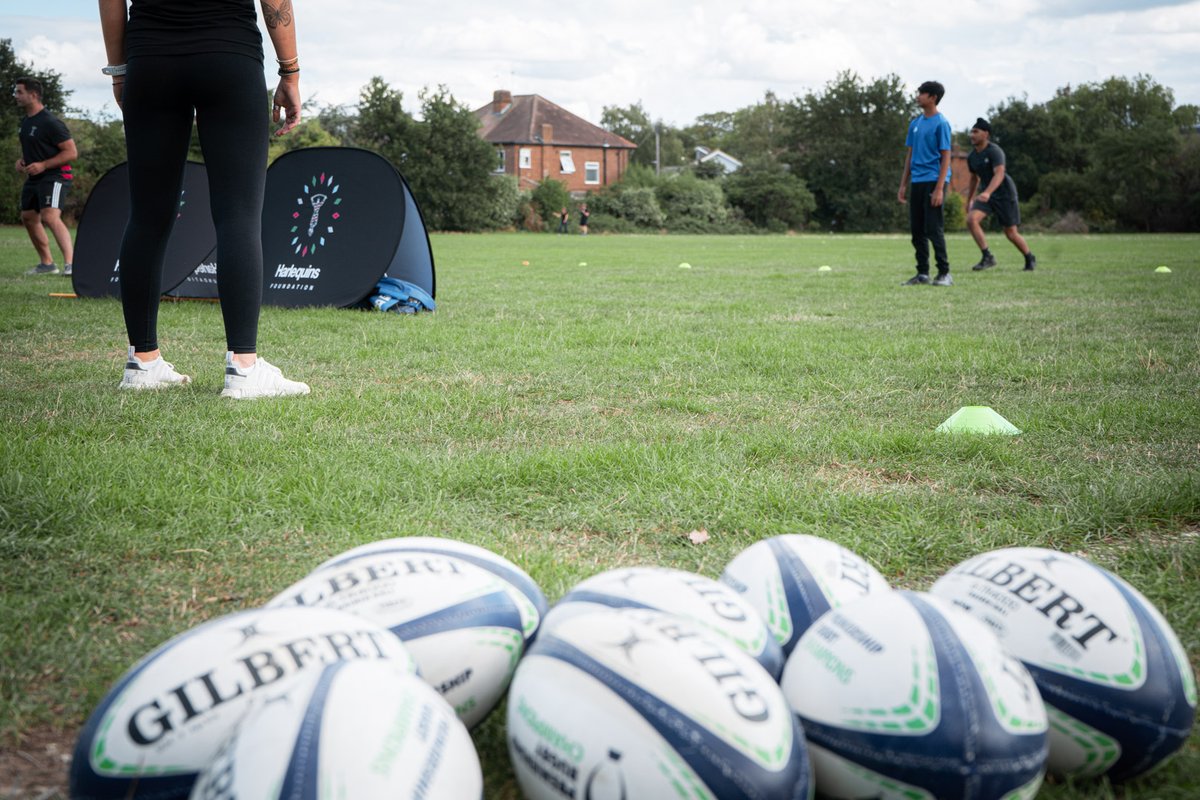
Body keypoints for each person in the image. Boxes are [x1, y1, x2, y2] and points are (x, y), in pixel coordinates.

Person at [99, 0, 309, 398]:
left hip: (150, 58)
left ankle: (142, 362)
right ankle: (244, 369)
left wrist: (120, 69)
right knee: (239, 215)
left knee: (147, 215)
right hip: (229, 54)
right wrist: (290, 71)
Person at [14, 77, 76, 276]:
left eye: (19, 92)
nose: (16, 96)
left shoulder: (50, 122)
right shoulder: (26, 122)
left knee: (50, 216)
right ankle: (47, 264)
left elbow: (71, 152)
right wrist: (23, 160)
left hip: (56, 176)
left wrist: (43, 165)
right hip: (35, 178)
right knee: (29, 217)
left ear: (33, 95)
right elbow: (37, 148)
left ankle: (71, 264)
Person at [898, 81, 953, 286]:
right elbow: (909, 156)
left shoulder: (941, 123)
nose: (917, 96)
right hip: (918, 181)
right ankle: (922, 273)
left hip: (934, 180)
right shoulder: (915, 124)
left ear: (933, 98)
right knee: (917, 230)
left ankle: (945, 273)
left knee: (933, 228)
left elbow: (947, 156)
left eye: (922, 93)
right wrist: (903, 184)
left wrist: (940, 188)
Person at [965, 118, 1036, 271]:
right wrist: (969, 199)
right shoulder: (972, 157)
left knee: (1010, 233)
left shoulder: (994, 151)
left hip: (1004, 194)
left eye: (976, 132)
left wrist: (988, 192)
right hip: (986, 195)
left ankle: (1029, 257)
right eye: (971, 132)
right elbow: (973, 178)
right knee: (971, 219)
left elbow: (1000, 173)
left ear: (986, 134)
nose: (972, 135)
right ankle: (987, 256)